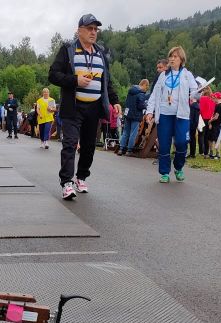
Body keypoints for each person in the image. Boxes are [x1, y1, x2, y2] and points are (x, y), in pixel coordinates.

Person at [48, 13, 121, 200]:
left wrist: (115, 101)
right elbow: (53, 74)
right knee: (70, 144)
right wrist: (75, 80)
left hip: (94, 107)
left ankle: (81, 177)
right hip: (73, 106)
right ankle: (67, 183)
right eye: (89, 28)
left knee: (89, 146)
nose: (93, 32)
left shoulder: (101, 53)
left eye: (96, 29)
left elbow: (107, 81)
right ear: (79, 30)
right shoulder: (68, 50)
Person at [143, 46, 199, 183]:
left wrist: (199, 93)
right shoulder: (163, 75)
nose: (172, 59)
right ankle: (164, 172)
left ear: (181, 59)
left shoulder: (187, 74)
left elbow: (195, 93)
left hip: (182, 115)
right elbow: (155, 94)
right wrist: (149, 111)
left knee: (181, 142)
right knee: (164, 144)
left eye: (175, 56)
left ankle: (178, 167)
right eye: (171, 56)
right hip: (164, 114)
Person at [119, 79, 149, 156]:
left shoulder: (131, 91)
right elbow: (140, 106)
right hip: (136, 116)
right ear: (144, 85)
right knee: (133, 133)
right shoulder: (141, 93)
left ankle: (121, 149)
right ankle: (129, 150)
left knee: (125, 132)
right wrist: (146, 106)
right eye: (146, 87)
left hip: (128, 114)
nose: (146, 89)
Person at [198, 86, 215, 158]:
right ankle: (206, 152)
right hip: (210, 119)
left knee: (201, 135)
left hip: (202, 118)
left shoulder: (202, 98)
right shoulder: (212, 99)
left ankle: (201, 151)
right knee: (207, 136)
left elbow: (200, 109)